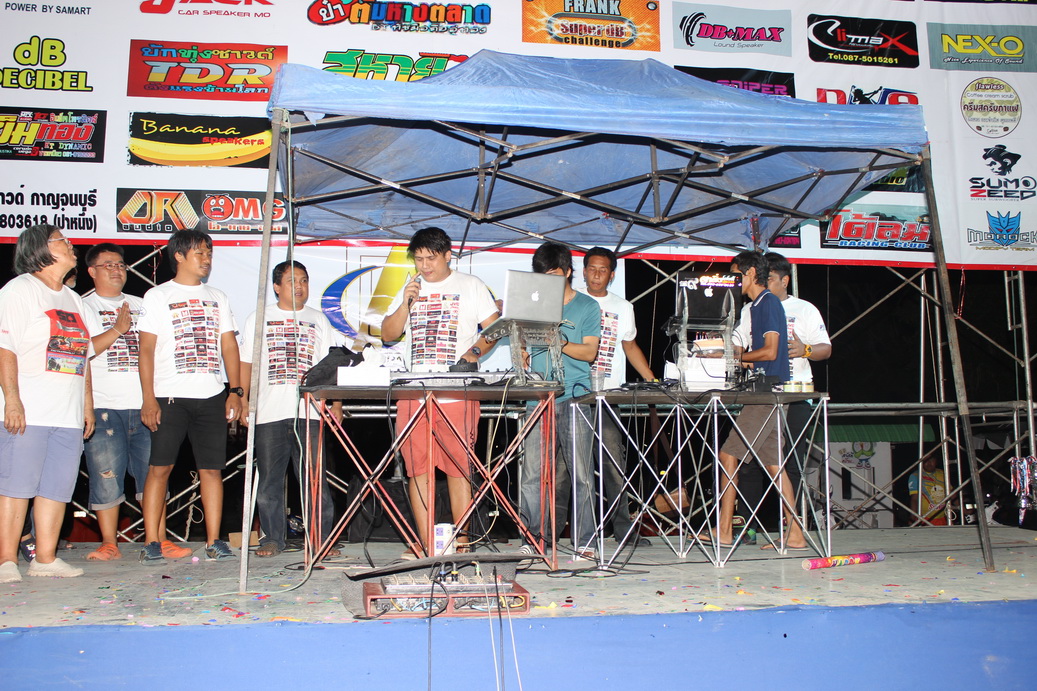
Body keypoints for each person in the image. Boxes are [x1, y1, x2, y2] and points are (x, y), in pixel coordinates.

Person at [380, 227, 499, 556]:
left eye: (431, 258)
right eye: (418, 259)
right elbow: (388, 334)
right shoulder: (411, 288)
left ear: (448, 255)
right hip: (414, 391)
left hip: (456, 391)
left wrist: (473, 353)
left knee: (459, 467)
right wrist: (406, 303)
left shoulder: (470, 285)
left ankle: (462, 540)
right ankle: (425, 543)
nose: (424, 265)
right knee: (418, 468)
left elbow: (494, 329)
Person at [137, 229, 242, 562]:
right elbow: (146, 349)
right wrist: (148, 397)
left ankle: (214, 541)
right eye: (200, 253)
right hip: (169, 396)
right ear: (179, 256)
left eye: (209, 253)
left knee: (212, 469)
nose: (207, 259)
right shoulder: (157, 295)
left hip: (211, 395)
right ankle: (151, 541)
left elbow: (229, 345)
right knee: (160, 468)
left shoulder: (218, 296)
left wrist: (235, 391)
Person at [81, 243, 191, 562]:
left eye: (121, 264)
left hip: (145, 404)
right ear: (92, 271)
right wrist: (117, 329)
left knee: (153, 475)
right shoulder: (82, 306)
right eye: (108, 265)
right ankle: (109, 542)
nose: (117, 270)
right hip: (104, 405)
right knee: (106, 476)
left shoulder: (143, 304)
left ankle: (158, 540)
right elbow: (81, 351)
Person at [0, 224, 94, 582]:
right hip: (29, 409)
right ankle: (6, 560)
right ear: (40, 249)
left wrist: (86, 404)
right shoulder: (19, 290)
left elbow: (83, 357)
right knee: (16, 486)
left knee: (56, 488)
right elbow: (5, 348)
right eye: (62, 240)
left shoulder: (73, 299)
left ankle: (45, 558)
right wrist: (12, 400)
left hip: (67, 413)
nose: (71, 245)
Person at [240, 260, 343, 558]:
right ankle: (272, 539)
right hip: (268, 411)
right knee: (269, 481)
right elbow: (247, 362)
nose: (299, 286)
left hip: (309, 412)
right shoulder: (259, 318)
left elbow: (331, 365)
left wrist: (337, 403)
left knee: (314, 480)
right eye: (291, 281)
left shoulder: (318, 319)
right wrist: (243, 399)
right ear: (276, 287)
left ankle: (321, 540)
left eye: (304, 280)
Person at [710, 250, 804, 550]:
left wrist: (735, 359)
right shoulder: (756, 306)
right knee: (774, 464)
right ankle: (796, 533)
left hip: (767, 392)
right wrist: (725, 352)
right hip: (768, 390)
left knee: (728, 455)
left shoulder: (767, 302)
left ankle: (725, 530)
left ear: (750, 273)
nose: (733, 281)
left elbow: (771, 350)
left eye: (735, 275)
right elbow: (755, 352)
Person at [732, 251, 832, 524]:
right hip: (761, 393)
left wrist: (805, 349)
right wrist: (733, 354)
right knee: (749, 461)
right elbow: (737, 344)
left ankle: (791, 526)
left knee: (792, 462)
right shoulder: (750, 308)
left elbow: (826, 349)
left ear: (785, 280)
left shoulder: (804, 309)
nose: (764, 283)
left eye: (770, 279)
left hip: (796, 393)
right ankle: (747, 526)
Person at [519, 242, 601, 562]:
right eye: (542, 276)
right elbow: (522, 342)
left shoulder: (587, 306)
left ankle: (585, 540)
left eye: (553, 275)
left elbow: (590, 352)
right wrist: (522, 351)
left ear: (568, 272)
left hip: (575, 397)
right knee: (532, 475)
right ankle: (532, 539)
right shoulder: (533, 304)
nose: (547, 282)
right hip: (538, 397)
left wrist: (560, 341)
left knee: (581, 473)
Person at [581, 247, 655, 547]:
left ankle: (623, 529)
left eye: (603, 270)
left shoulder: (623, 307)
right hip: (574, 394)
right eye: (592, 268)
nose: (597, 274)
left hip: (609, 395)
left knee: (613, 464)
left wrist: (652, 380)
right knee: (570, 466)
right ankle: (577, 532)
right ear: (583, 271)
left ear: (611, 275)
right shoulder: (571, 301)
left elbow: (630, 346)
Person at [909, 456, 949, 526]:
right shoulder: (916, 475)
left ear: (936, 461)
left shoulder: (942, 473)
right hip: (924, 519)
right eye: (926, 460)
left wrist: (963, 509)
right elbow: (914, 499)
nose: (929, 463)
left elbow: (951, 493)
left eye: (931, 460)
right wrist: (912, 518)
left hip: (942, 518)